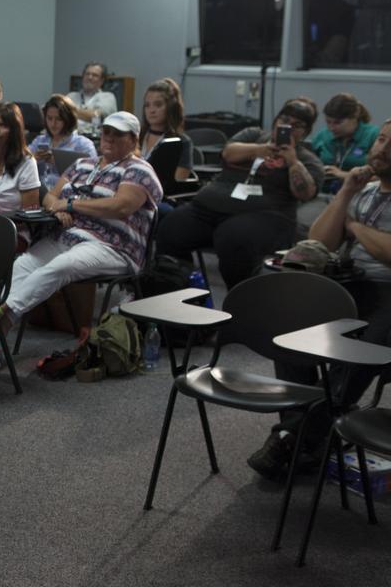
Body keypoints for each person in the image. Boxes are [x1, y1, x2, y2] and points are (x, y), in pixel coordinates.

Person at [247, 118, 391, 480]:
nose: (383, 150)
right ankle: (309, 434)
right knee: (291, 331)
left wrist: (356, 227)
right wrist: (346, 193)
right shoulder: (364, 191)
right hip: (349, 283)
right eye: (382, 141)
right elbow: (321, 240)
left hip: (389, 292)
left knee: (357, 355)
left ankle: (293, 437)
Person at [0, 112, 162, 369]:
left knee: (60, 267)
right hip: (67, 236)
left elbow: (120, 206)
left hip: (112, 246)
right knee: (22, 265)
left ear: (134, 139)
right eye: (106, 132)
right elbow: (51, 197)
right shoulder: (83, 164)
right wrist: (58, 208)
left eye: (118, 134)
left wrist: (72, 204)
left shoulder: (139, 169)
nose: (109, 138)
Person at [156, 99, 323, 289]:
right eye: (285, 119)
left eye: (297, 125)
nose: (289, 127)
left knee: (233, 237)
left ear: (306, 132)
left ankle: (239, 300)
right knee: (171, 226)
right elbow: (228, 153)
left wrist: (292, 162)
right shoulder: (253, 135)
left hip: (265, 217)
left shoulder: (308, 160)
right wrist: (260, 150)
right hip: (210, 207)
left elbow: (306, 193)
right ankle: (178, 287)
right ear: (276, 120)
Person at [309, 92, 378, 191]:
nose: (331, 128)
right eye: (328, 122)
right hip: (323, 193)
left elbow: (382, 178)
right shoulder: (323, 135)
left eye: (338, 122)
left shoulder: (373, 135)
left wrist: (343, 175)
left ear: (354, 117)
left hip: (360, 194)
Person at [31, 94, 98, 190]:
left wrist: (60, 163)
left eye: (58, 119)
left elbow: (93, 176)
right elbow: (20, 163)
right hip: (38, 191)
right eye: (49, 118)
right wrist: (32, 159)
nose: (53, 124)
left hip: (66, 193)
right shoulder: (39, 141)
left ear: (68, 119)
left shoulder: (83, 145)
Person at [139, 77, 193, 182]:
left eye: (158, 105)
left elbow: (178, 181)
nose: (151, 110)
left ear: (171, 107)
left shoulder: (182, 142)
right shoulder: (136, 135)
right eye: (147, 105)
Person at [67, 61, 117, 135]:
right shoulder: (71, 96)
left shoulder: (108, 97)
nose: (89, 77)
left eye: (95, 75)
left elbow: (96, 117)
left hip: (95, 140)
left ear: (102, 80)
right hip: (70, 138)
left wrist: (68, 110)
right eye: (87, 74)